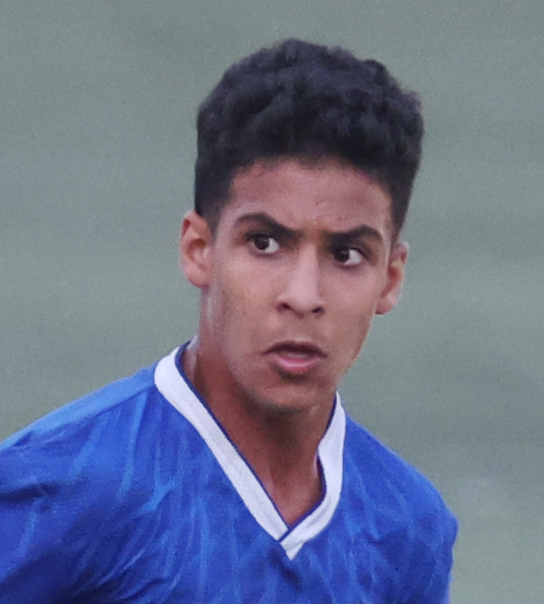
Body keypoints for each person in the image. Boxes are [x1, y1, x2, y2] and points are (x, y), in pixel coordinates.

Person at [0, 39, 457, 603]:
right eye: (265, 243)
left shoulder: (409, 528)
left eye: (345, 255)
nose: (303, 296)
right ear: (199, 249)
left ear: (390, 277)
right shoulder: (57, 488)